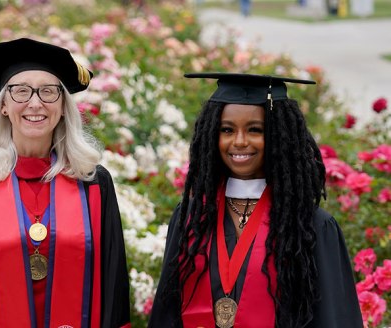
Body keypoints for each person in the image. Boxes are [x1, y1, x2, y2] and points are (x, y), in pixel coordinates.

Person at [0, 38, 131, 328]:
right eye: (21, 91)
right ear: (4, 105)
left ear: (62, 106)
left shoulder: (93, 183)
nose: (35, 103)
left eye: (48, 92)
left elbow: (112, 284)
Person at [147, 73, 363, 327]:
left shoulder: (309, 225)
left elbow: (332, 318)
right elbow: (167, 314)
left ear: (279, 135)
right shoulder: (193, 217)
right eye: (227, 130)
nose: (239, 141)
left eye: (255, 130)